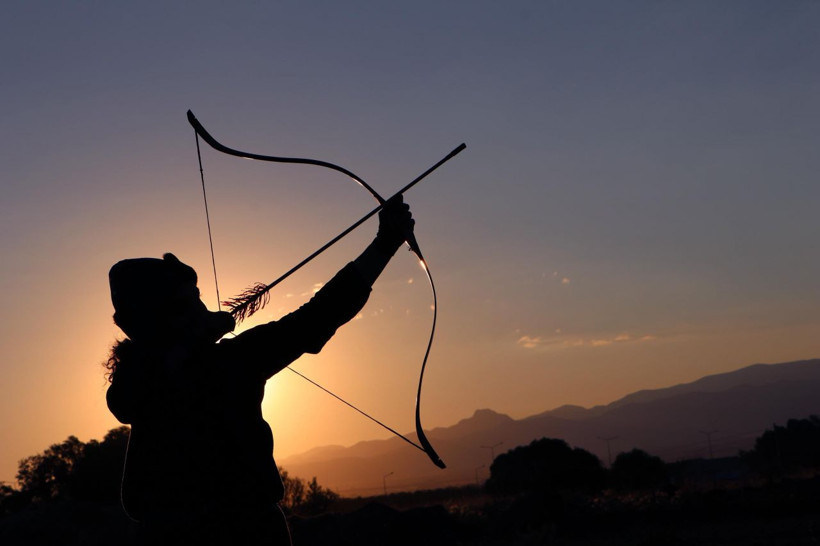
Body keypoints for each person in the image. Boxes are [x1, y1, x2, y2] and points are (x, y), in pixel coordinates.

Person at [104, 196, 415, 545]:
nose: (203, 306)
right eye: (191, 300)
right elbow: (127, 397)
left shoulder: (219, 362)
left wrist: (385, 244)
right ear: (167, 319)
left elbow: (317, 317)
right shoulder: (152, 379)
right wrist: (189, 345)